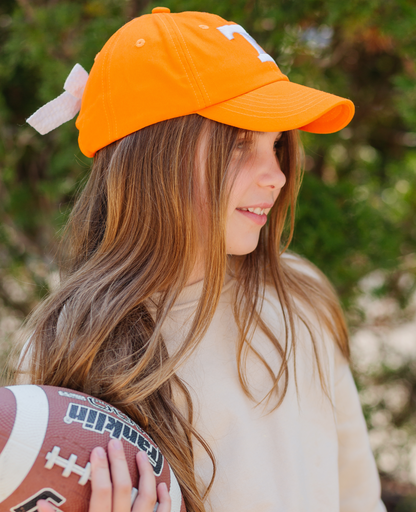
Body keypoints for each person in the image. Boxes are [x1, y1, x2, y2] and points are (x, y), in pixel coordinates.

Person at [17, 6, 387, 512]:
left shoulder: (303, 298)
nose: (275, 176)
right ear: (150, 160)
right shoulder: (72, 341)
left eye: (276, 144)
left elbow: (359, 497)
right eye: (238, 146)